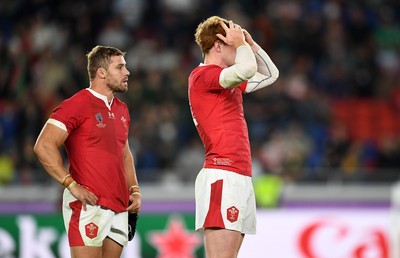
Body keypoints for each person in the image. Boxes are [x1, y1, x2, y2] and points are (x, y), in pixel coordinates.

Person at [33, 45, 141, 258]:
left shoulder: (121, 109)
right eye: (120, 67)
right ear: (101, 72)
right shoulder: (77, 104)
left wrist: (134, 190)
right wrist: (71, 185)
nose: (127, 72)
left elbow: (124, 154)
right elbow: (43, 145)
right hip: (89, 204)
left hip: (119, 206)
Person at [188, 16, 279, 258]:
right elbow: (249, 68)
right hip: (222, 175)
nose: (241, 50)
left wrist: (250, 43)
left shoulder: (227, 81)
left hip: (239, 175)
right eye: (233, 44)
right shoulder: (203, 76)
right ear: (218, 45)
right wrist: (242, 46)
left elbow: (270, 74)